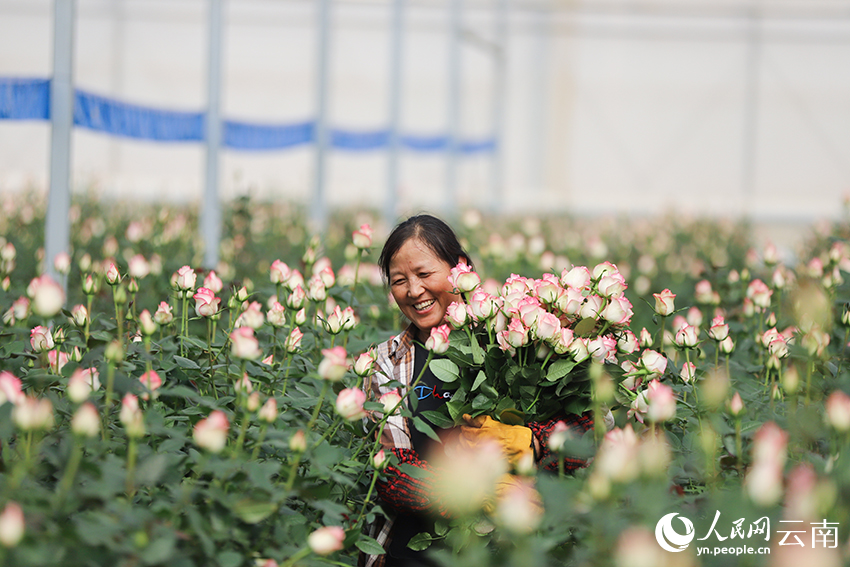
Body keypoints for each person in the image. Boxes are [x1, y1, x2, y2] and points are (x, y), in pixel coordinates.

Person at [360, 214, 592, 567]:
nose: (413, 290)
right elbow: (392, 473)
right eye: (399, 281)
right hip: (408, 555)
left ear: (460, 269)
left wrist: (533, 442)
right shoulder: (387, 362)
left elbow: (589, 436)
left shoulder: (515, 342)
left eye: (424, 274)